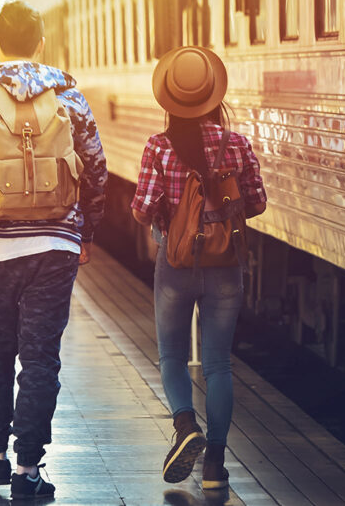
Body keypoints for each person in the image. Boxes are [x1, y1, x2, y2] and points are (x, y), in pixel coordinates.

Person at [0, 0, 107, 499]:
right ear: (41, 42)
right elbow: (95, 171)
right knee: (40, 359)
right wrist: (85, 233)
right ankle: (30, 471)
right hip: (54, 249)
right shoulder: (69, 97)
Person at [131, 46, 266, 490]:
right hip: (225, 265)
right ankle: (215, 468)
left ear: (168, 100)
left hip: (176, 263)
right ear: (214, 96)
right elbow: (258, 203)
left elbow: (141, 208)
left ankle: (186, 425)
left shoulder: (159, 148)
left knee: (171, 354)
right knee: (218, 365)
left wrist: (166, 214)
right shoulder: (237, 145)